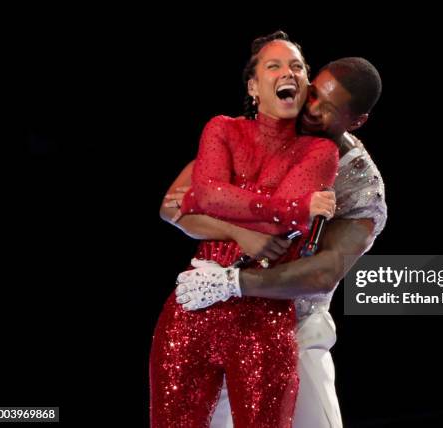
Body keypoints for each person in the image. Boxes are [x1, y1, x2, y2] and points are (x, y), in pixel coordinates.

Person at [163, 57, 385, 428]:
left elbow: (323, 273)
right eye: (312, 94)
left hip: (294, 328)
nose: (310, 110)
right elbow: (174, 204)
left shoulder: (362, 187)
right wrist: (239, 233)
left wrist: (234, 284)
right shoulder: (269, 127)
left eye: (327, 108)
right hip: (216, 317)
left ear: (356, 121)